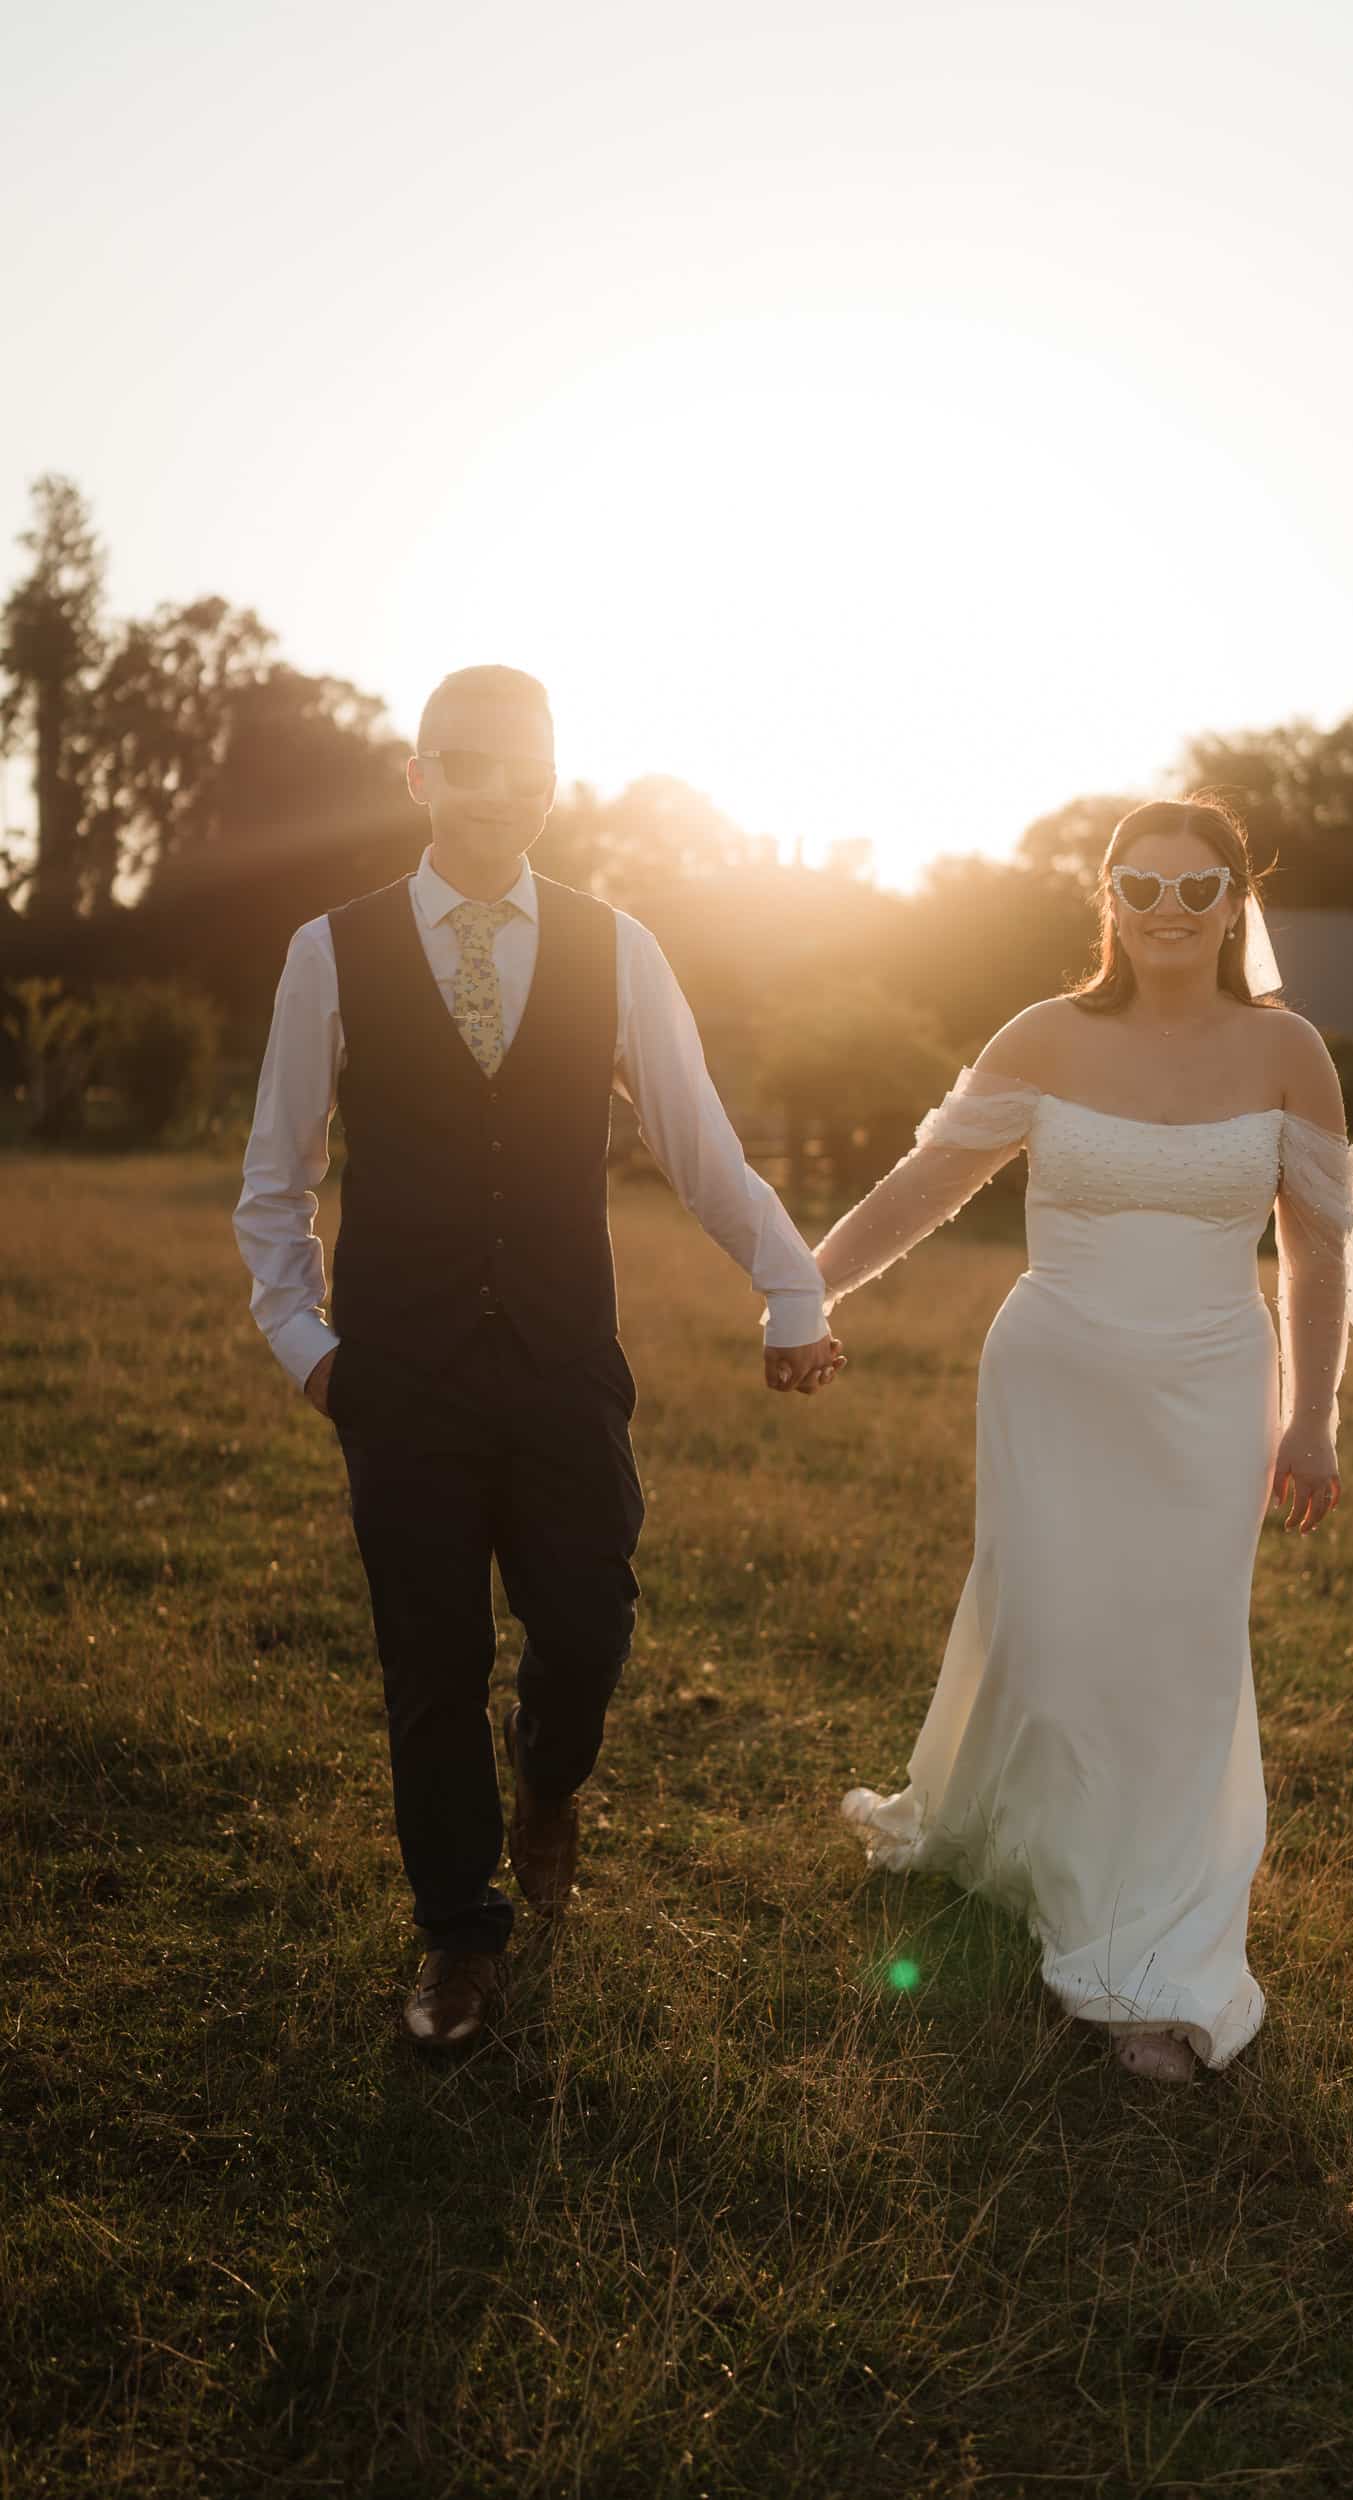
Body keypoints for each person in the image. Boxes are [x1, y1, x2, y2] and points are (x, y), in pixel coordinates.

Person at [813, 794, 1353, 2084]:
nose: (1167, 910)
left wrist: (1316, 1416)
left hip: (1213, 1388)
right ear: (1105, 896)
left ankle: (1150, 1953)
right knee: (1055, 1631)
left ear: (1239, 903)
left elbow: (1315, 1251)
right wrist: (807, 1291)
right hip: (1053, 1378)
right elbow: (921, 1188)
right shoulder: (1042, 1036)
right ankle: (1034, 1861)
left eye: (1197, 888)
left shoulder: (1291, 1053)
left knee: (1178, 1655)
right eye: (1142, 885)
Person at [233, 664, 842, 2050]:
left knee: (590, 1626)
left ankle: (548, 1779)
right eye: (466, 761)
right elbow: (278, 1176)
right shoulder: (332, 948)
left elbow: (700, 1145)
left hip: (565, 1363)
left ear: (552, 778)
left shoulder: (618, 946)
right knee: (430, 1661)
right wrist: (306, 1346)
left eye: (522, 764)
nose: (495, 786)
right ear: (420, 778)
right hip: (398, 1375)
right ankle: (458, 1934)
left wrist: (791, 1292)